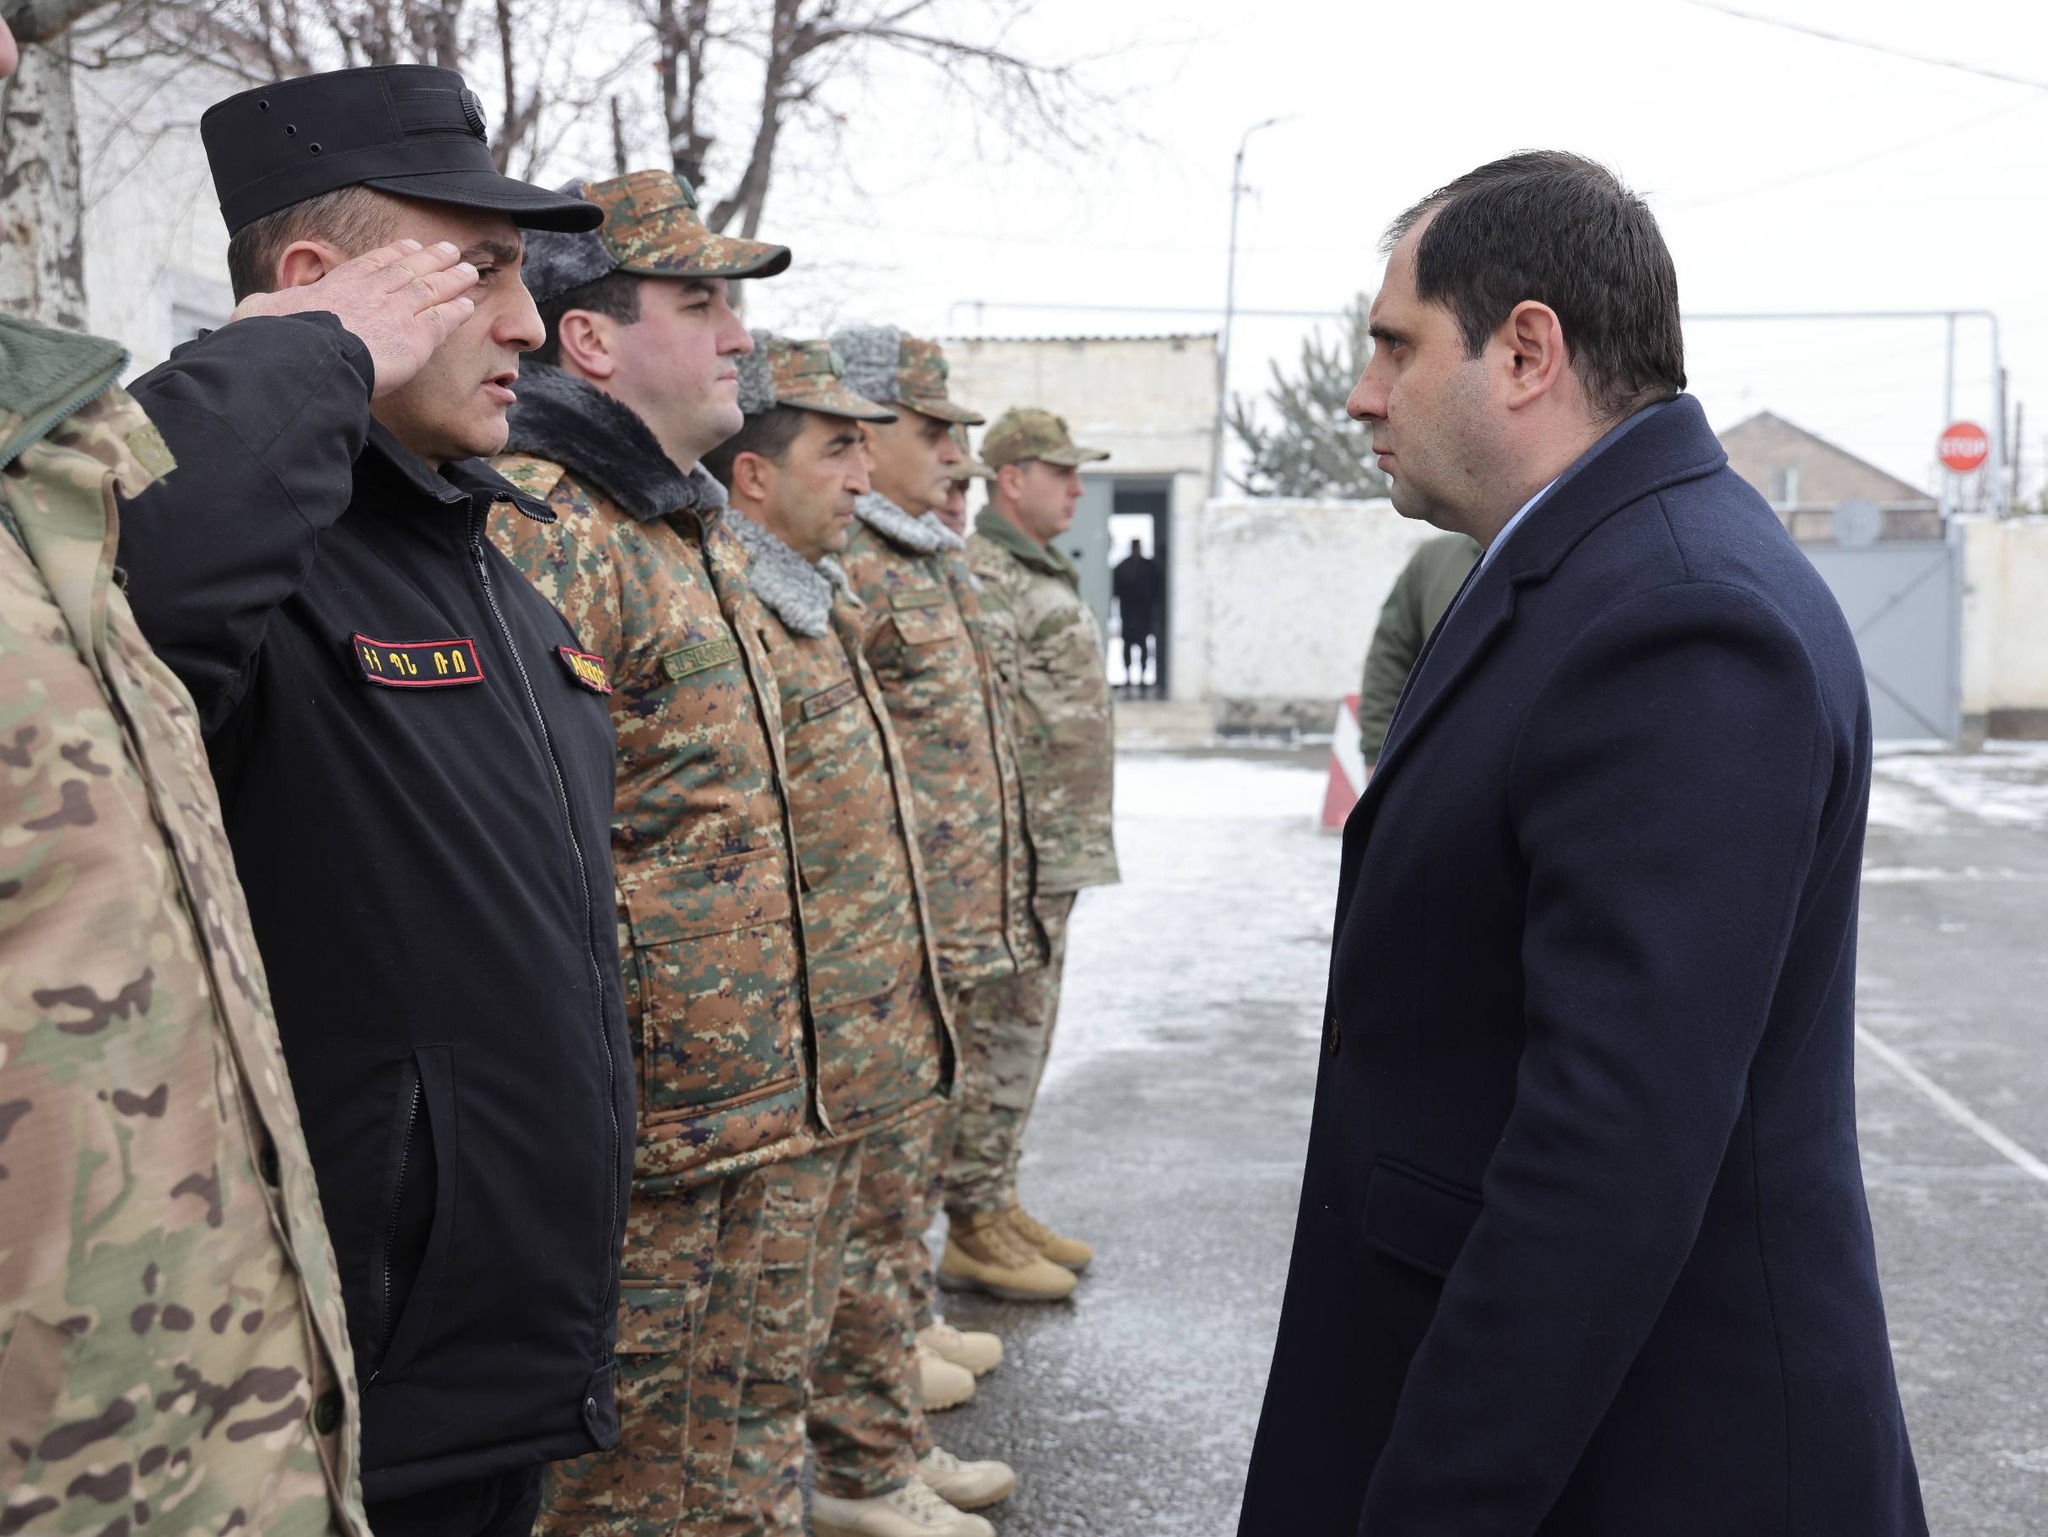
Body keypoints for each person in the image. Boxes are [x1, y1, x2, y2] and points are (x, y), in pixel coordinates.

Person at [1238, 151, 1925, 1536]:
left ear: (1526, 351)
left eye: (1394, 345)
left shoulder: (1680, 615)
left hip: (1643, 1460)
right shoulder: (1579, 565)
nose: (1362, 394)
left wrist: (1432, 1504)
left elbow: (1608, 1154)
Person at [115, 65, 635, 1537]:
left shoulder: (489, 570)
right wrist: (299, 363)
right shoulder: (227, 548)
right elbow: (136, 602)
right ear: (315, 290)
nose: (526, 325)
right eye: (478, 271)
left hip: (496, 1357)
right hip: (320, 1378)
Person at [0, 28, 366, 1534]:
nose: (7, 53)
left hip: (212, 1450)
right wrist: (298, 370)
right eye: (471, 270)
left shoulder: (38, 480)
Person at [482, 168, 810, 1537]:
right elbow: (516, 861)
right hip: (642, 1138)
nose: (741, 336)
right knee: (622, 1491)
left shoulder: (674, 523)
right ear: (591, 339)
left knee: (715, 1464)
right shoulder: (546, 525)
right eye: (699, 303)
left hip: (732, 1110)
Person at [704, 335, 992, 1537]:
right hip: (792, 1025)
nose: (864, 478)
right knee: (778, 1302)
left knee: (856, 1247)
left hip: (874, 991)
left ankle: (869, 1457)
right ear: (754, 475)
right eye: (839, 451)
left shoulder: (807, 594)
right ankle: (856, 1470)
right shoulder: (729, 599)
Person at [830, 325, 1051, 1434]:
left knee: (922, 1143)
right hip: (894, 918)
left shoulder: (924, 555)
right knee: (882, 1156)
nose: (955, 456)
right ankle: (875, 1344)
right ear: (866, 432)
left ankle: (906, 1312)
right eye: (932, 432)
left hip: (957, 911)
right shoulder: (853, 564)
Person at [950, 407, 1117, 1296]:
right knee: (997, 1039)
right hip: (1013, 857)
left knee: (1027, 1033)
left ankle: (996, 1194)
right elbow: (990, 722)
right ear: (1011, 479)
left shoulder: (1034, 569)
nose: (1078, 488)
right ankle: (971, 1220)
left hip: (1054, 850)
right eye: (1062, 471)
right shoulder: (986, 575)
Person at [1355, 532, 1479, 767]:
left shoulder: (1556, 554)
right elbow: (1389, 661)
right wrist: (1378, 753)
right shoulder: (1434, 558)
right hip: (1441, 761)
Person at [1109, 538, 1160, 692]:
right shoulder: (1123, 567)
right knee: (1128, 647)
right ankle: (1128, 677)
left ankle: (1143, 677)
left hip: (1143, 612)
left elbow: (1157, 590)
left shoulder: (1148, 567)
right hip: (1128, 612)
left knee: (1143, 646)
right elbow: (1115, 591)